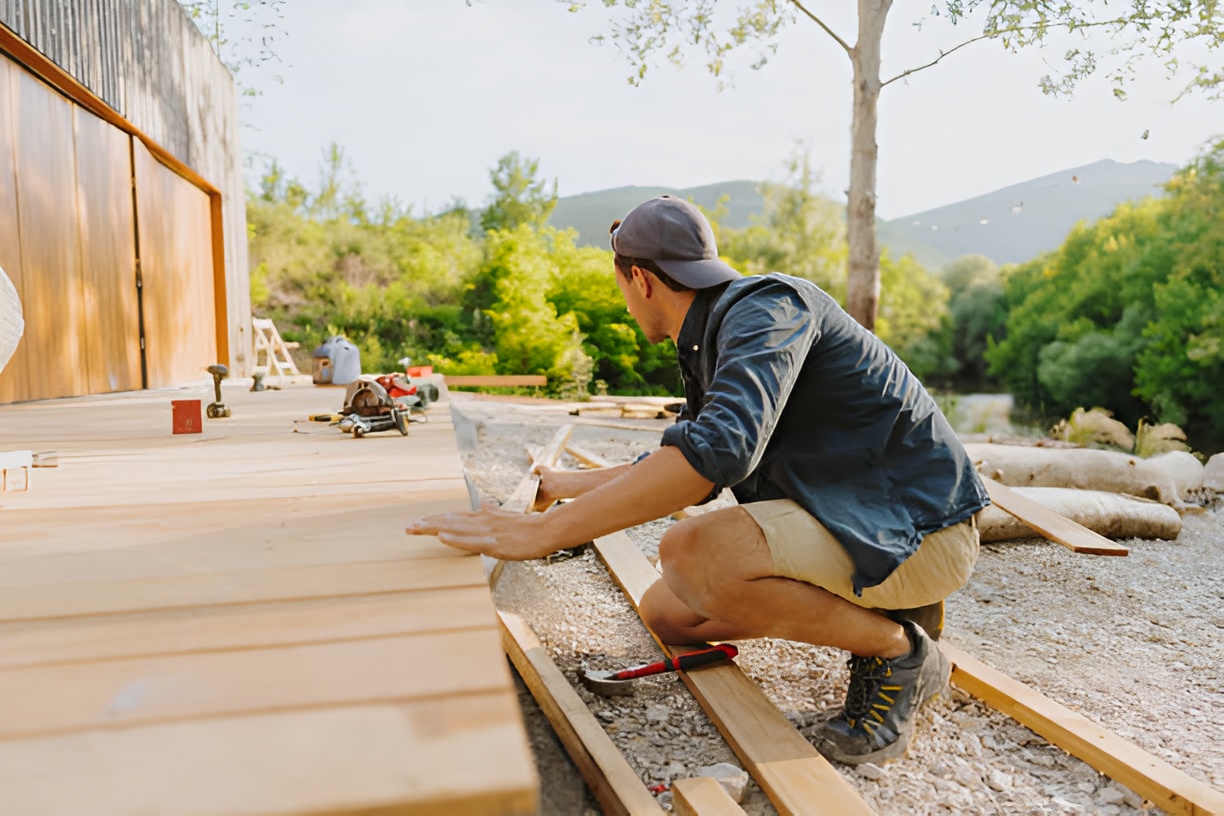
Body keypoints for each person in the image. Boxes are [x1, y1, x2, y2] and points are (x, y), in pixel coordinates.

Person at [407, 195, 991, 765]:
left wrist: (547, 533)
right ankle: (884, 613)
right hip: (857, 519)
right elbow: (687, 458)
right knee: (671, 613)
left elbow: (716, 456)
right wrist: (565, 487)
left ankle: (898, 650)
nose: (625, 304)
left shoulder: (767, 309)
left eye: (621, 290)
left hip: (922, 531)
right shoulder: (717, 337)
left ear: (640, 279)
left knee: (691, 554)